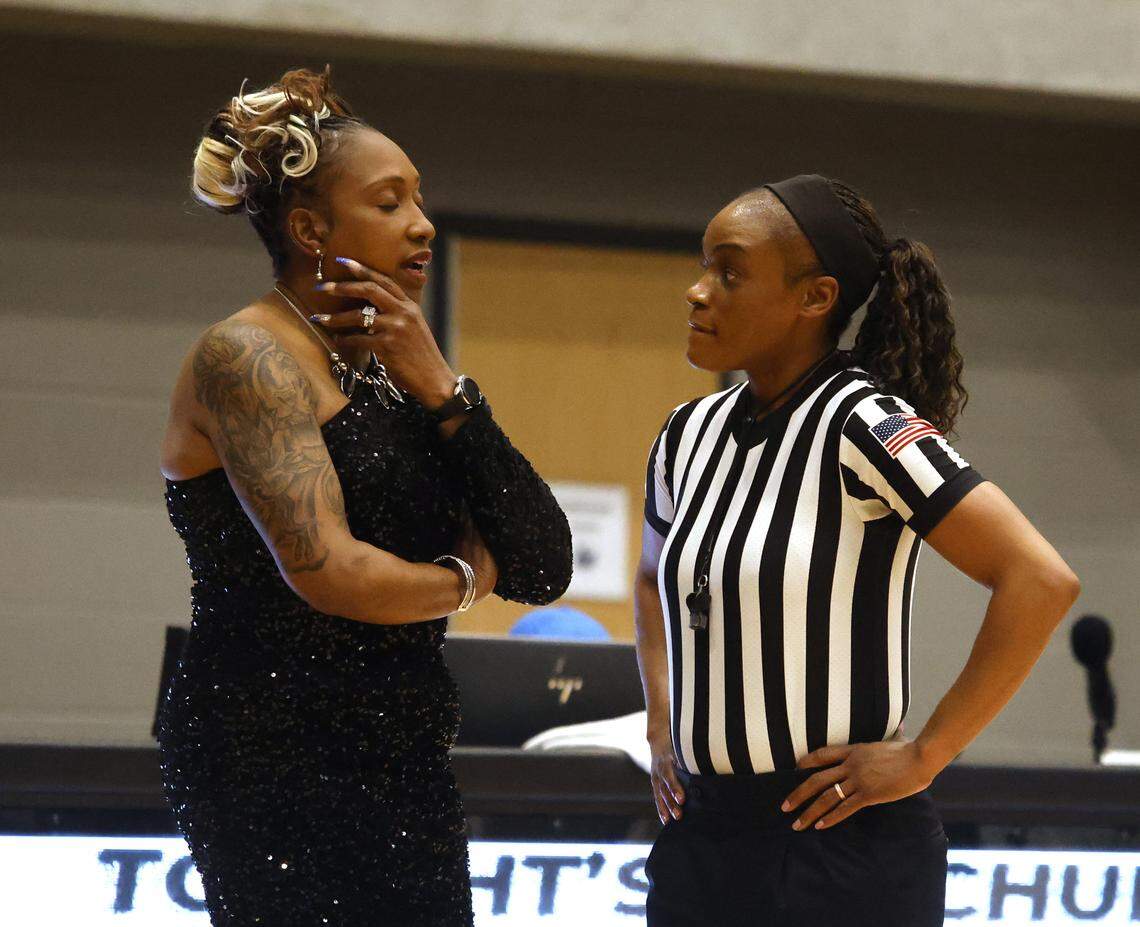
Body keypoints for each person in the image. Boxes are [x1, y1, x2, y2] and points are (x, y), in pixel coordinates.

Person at [156, 67, 572, 926]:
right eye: (390, 203)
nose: (422, 224)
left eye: (418, 199)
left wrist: (440, 382)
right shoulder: (248, 357)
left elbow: (542, 561)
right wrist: (464, 578)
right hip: (267, 752)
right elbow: (332, 572)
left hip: (402, 747)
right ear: (311, 228)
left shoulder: (395, 370)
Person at [633, 174, 1080, 926]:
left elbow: (1038, 577)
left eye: (730, 271)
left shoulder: (864, 421)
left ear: (815, 298)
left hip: (837, 843)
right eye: (704, 265)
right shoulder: (686, 434)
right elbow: (654, 579)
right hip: (703, 836)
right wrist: (661, 719)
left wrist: (925, 754)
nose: (698, 291)